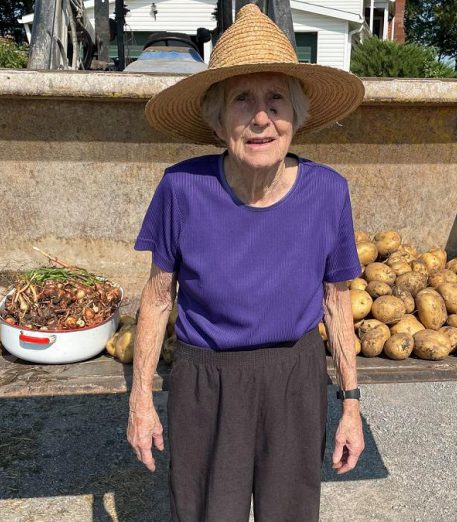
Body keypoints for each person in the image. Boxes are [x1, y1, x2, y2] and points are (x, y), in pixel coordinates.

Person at [128, 4, 365, 521]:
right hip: (205, 381)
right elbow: (157, 297)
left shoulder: (328, 192)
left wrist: (351, 402)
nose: (261, 117)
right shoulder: (182, 187)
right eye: (242, 99)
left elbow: (337, 301)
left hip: (294, 380)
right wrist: (140, 400)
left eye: (276, 99)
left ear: (296, 117)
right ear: (218, 118)